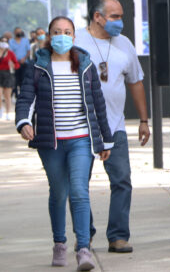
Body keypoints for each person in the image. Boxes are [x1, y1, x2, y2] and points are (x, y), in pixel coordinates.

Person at [15, 16, 113, 270]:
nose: (62, 36)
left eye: (67, 32)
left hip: (81, 139)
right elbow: (26, 99)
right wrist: (24, 122)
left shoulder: (85, 65)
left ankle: (83, 249)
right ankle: (59, 244)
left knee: (79, 191)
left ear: (73, 36)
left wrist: (106, 140)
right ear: (49, 35)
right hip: (51, 142)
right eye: (57, 32)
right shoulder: (38, 66)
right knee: (59, 193)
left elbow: (98, 104)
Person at [74, 0, 149, 253]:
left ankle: (118, 236)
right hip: (80, 126)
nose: (120, 22)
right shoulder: (75, 41)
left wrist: (143, 120)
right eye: (114, 16)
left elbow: (135, 82)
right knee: (78, 185)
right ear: (97, 17)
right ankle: (84, 235)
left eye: (121, 16)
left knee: (122, 180)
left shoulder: (124, 44)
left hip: (114, 126)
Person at [0, 37, 19, 121]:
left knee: (7, 96)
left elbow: (17, 65)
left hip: (8, 74)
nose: (4, 43)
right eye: (2, 41)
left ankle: (8, 113)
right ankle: (1, 110)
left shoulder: (10, 53)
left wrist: (13, 65)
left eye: (5, 42)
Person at [9, 26, 30, 95]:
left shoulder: (26, 40)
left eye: (20, 31)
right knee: (15, 79)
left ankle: (23, 94)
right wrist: (15, 60)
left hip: (24, 63)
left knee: (23, 79)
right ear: (14, 33)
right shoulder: (11, 41)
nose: (19, 33)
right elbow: (10, 52)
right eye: (17, 32)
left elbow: (28, 51)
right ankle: (16, 95)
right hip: (15, 63)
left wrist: (24, 58)